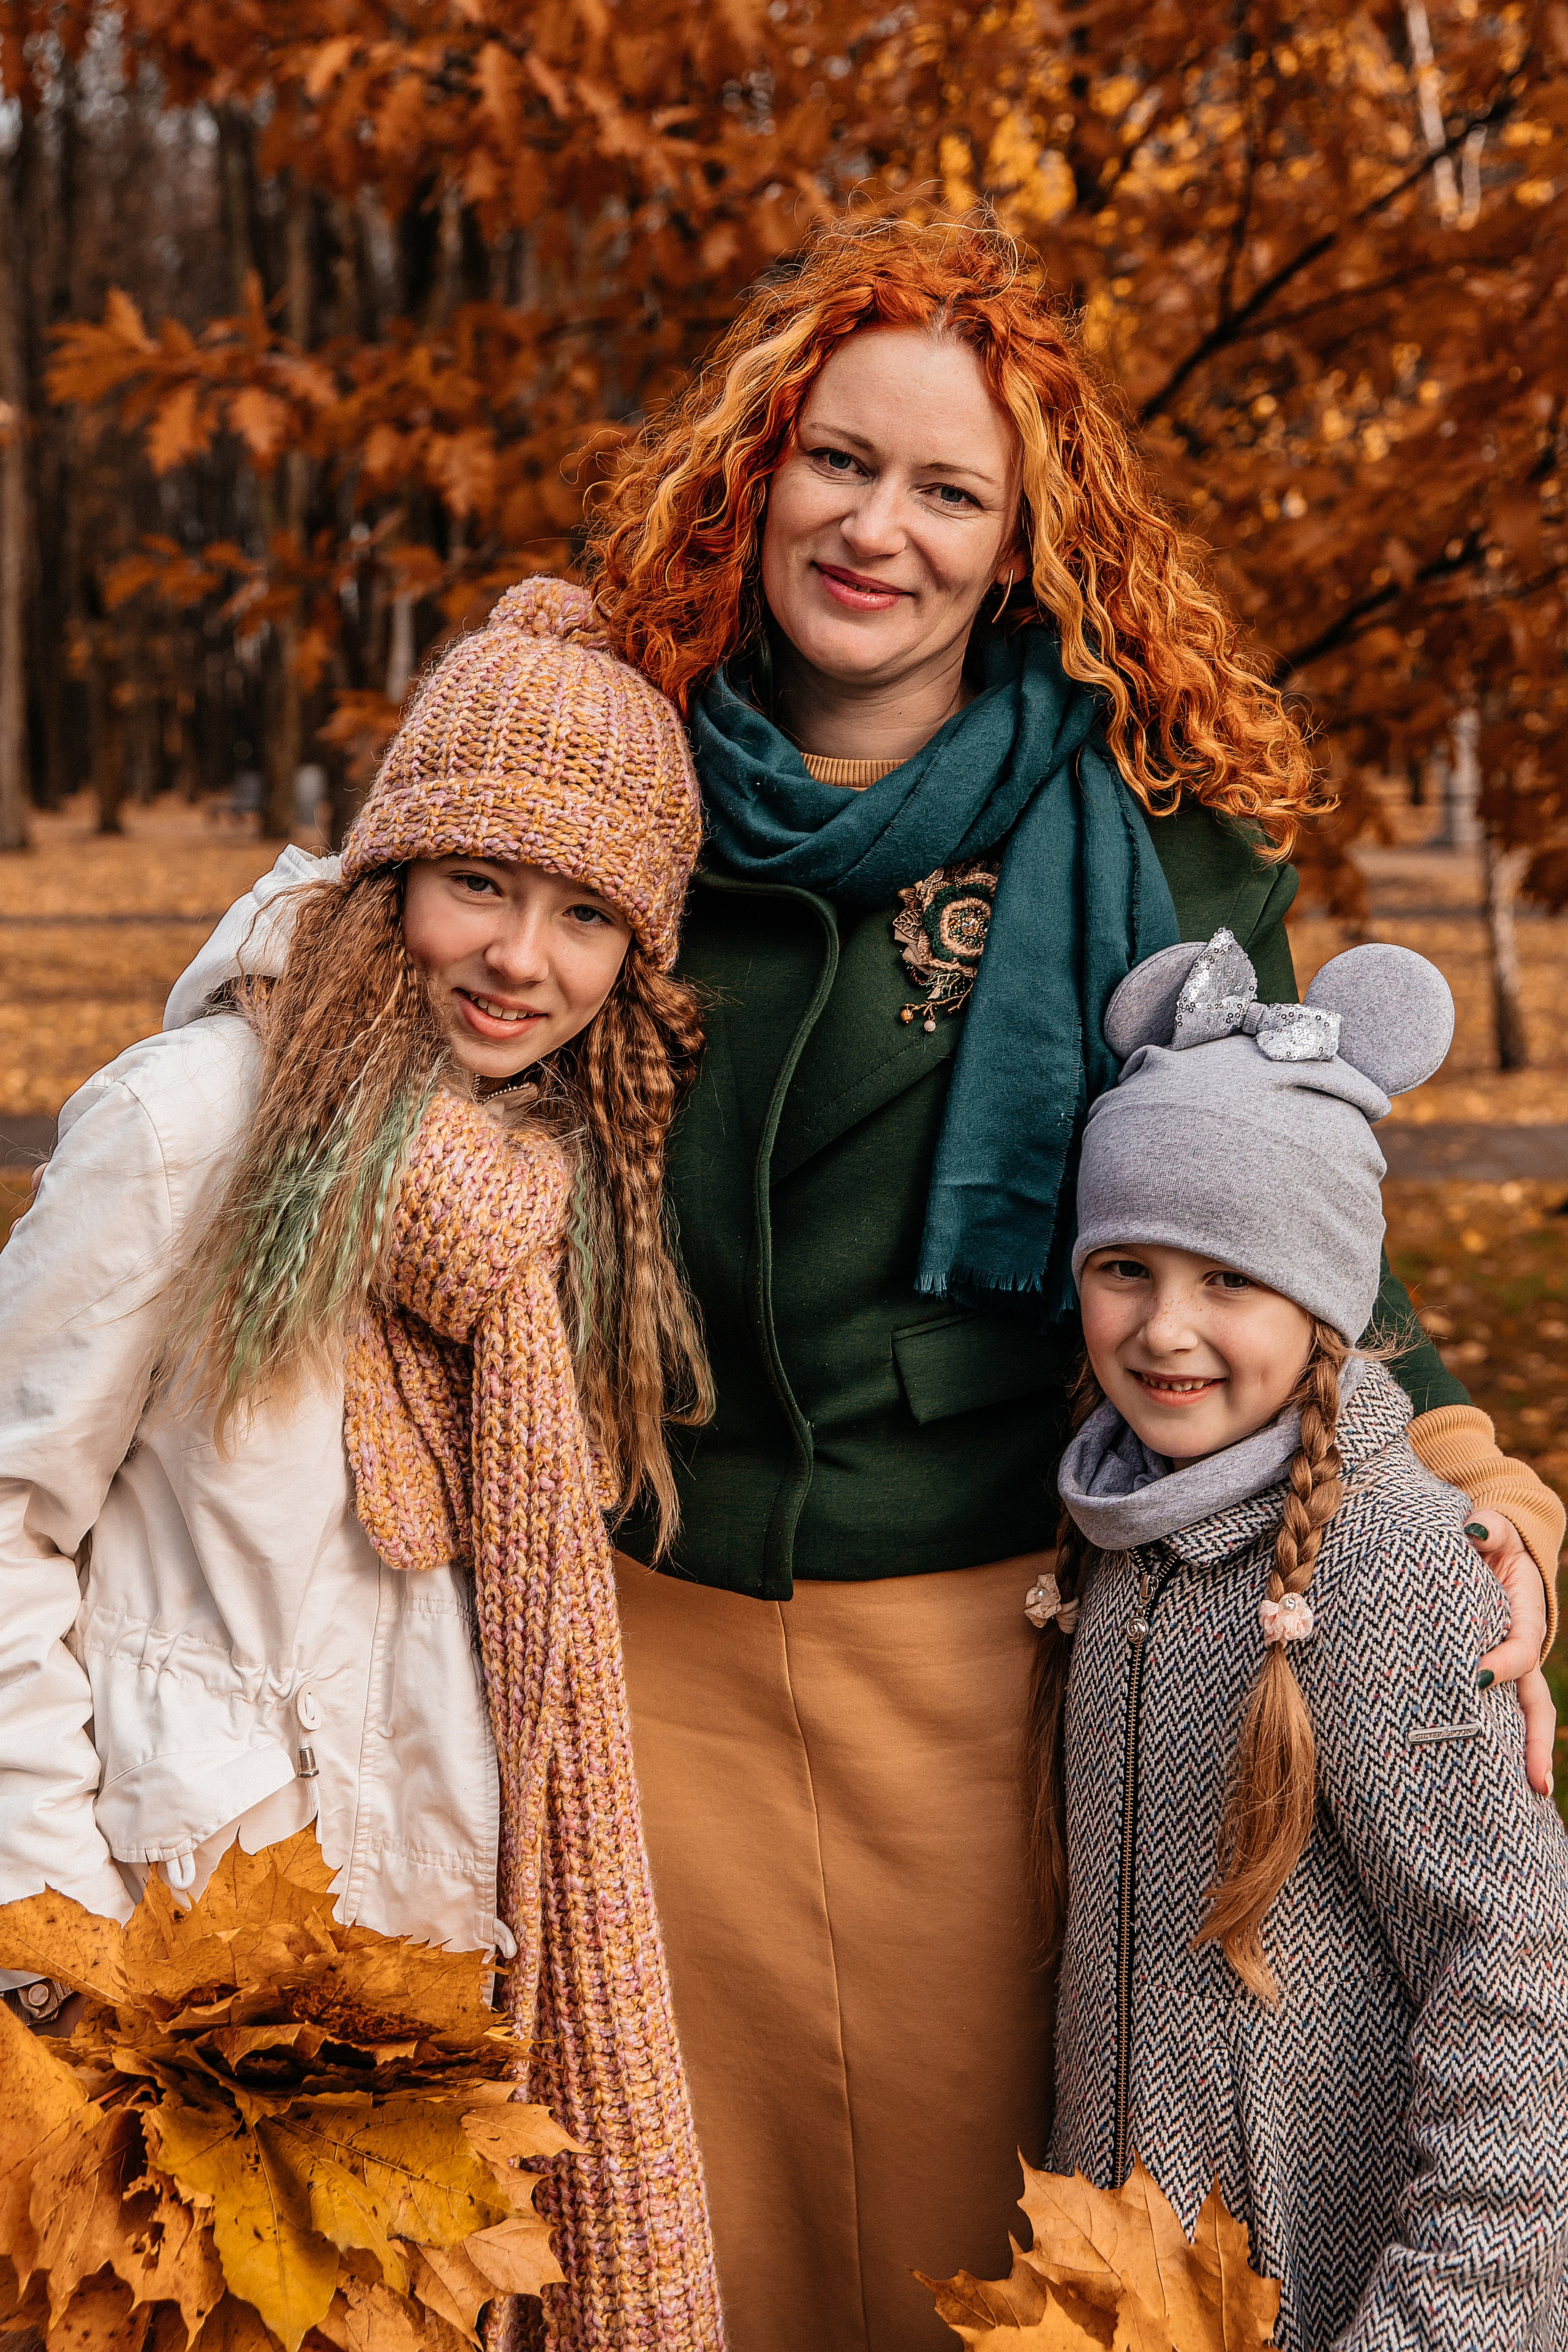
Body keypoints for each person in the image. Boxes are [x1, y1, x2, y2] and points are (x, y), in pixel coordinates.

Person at [164, 217, 1563, 2352]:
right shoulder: (615, 765)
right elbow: (388, 959)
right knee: (669, 2246)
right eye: (840, 461)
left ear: (1021, 544)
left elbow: (1281, 1200)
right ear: (762, 468)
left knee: (975, 2254)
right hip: (630, 1628)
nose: (877, 527)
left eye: (947, 491)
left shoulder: (1142, 838)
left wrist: (1463, 1463)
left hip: (980, 1656)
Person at [0, 581, 725, 2352]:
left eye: (582, 916)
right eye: (479, 882)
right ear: (388, 873)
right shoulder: (191, 1125)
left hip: (428, 1993)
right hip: (182, 1985)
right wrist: (57, 1938)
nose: (520, 959)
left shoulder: (539, 1191)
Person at [1039, 928, 1568, 2352]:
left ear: (1329, 1298)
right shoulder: (1123, 1536)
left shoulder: (1387, 1564)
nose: (1163, 1331)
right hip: (1125, 2291)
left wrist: (1441, 2320)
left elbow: (1512, 1977)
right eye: (1124, 1268)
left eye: (1230, 1281)